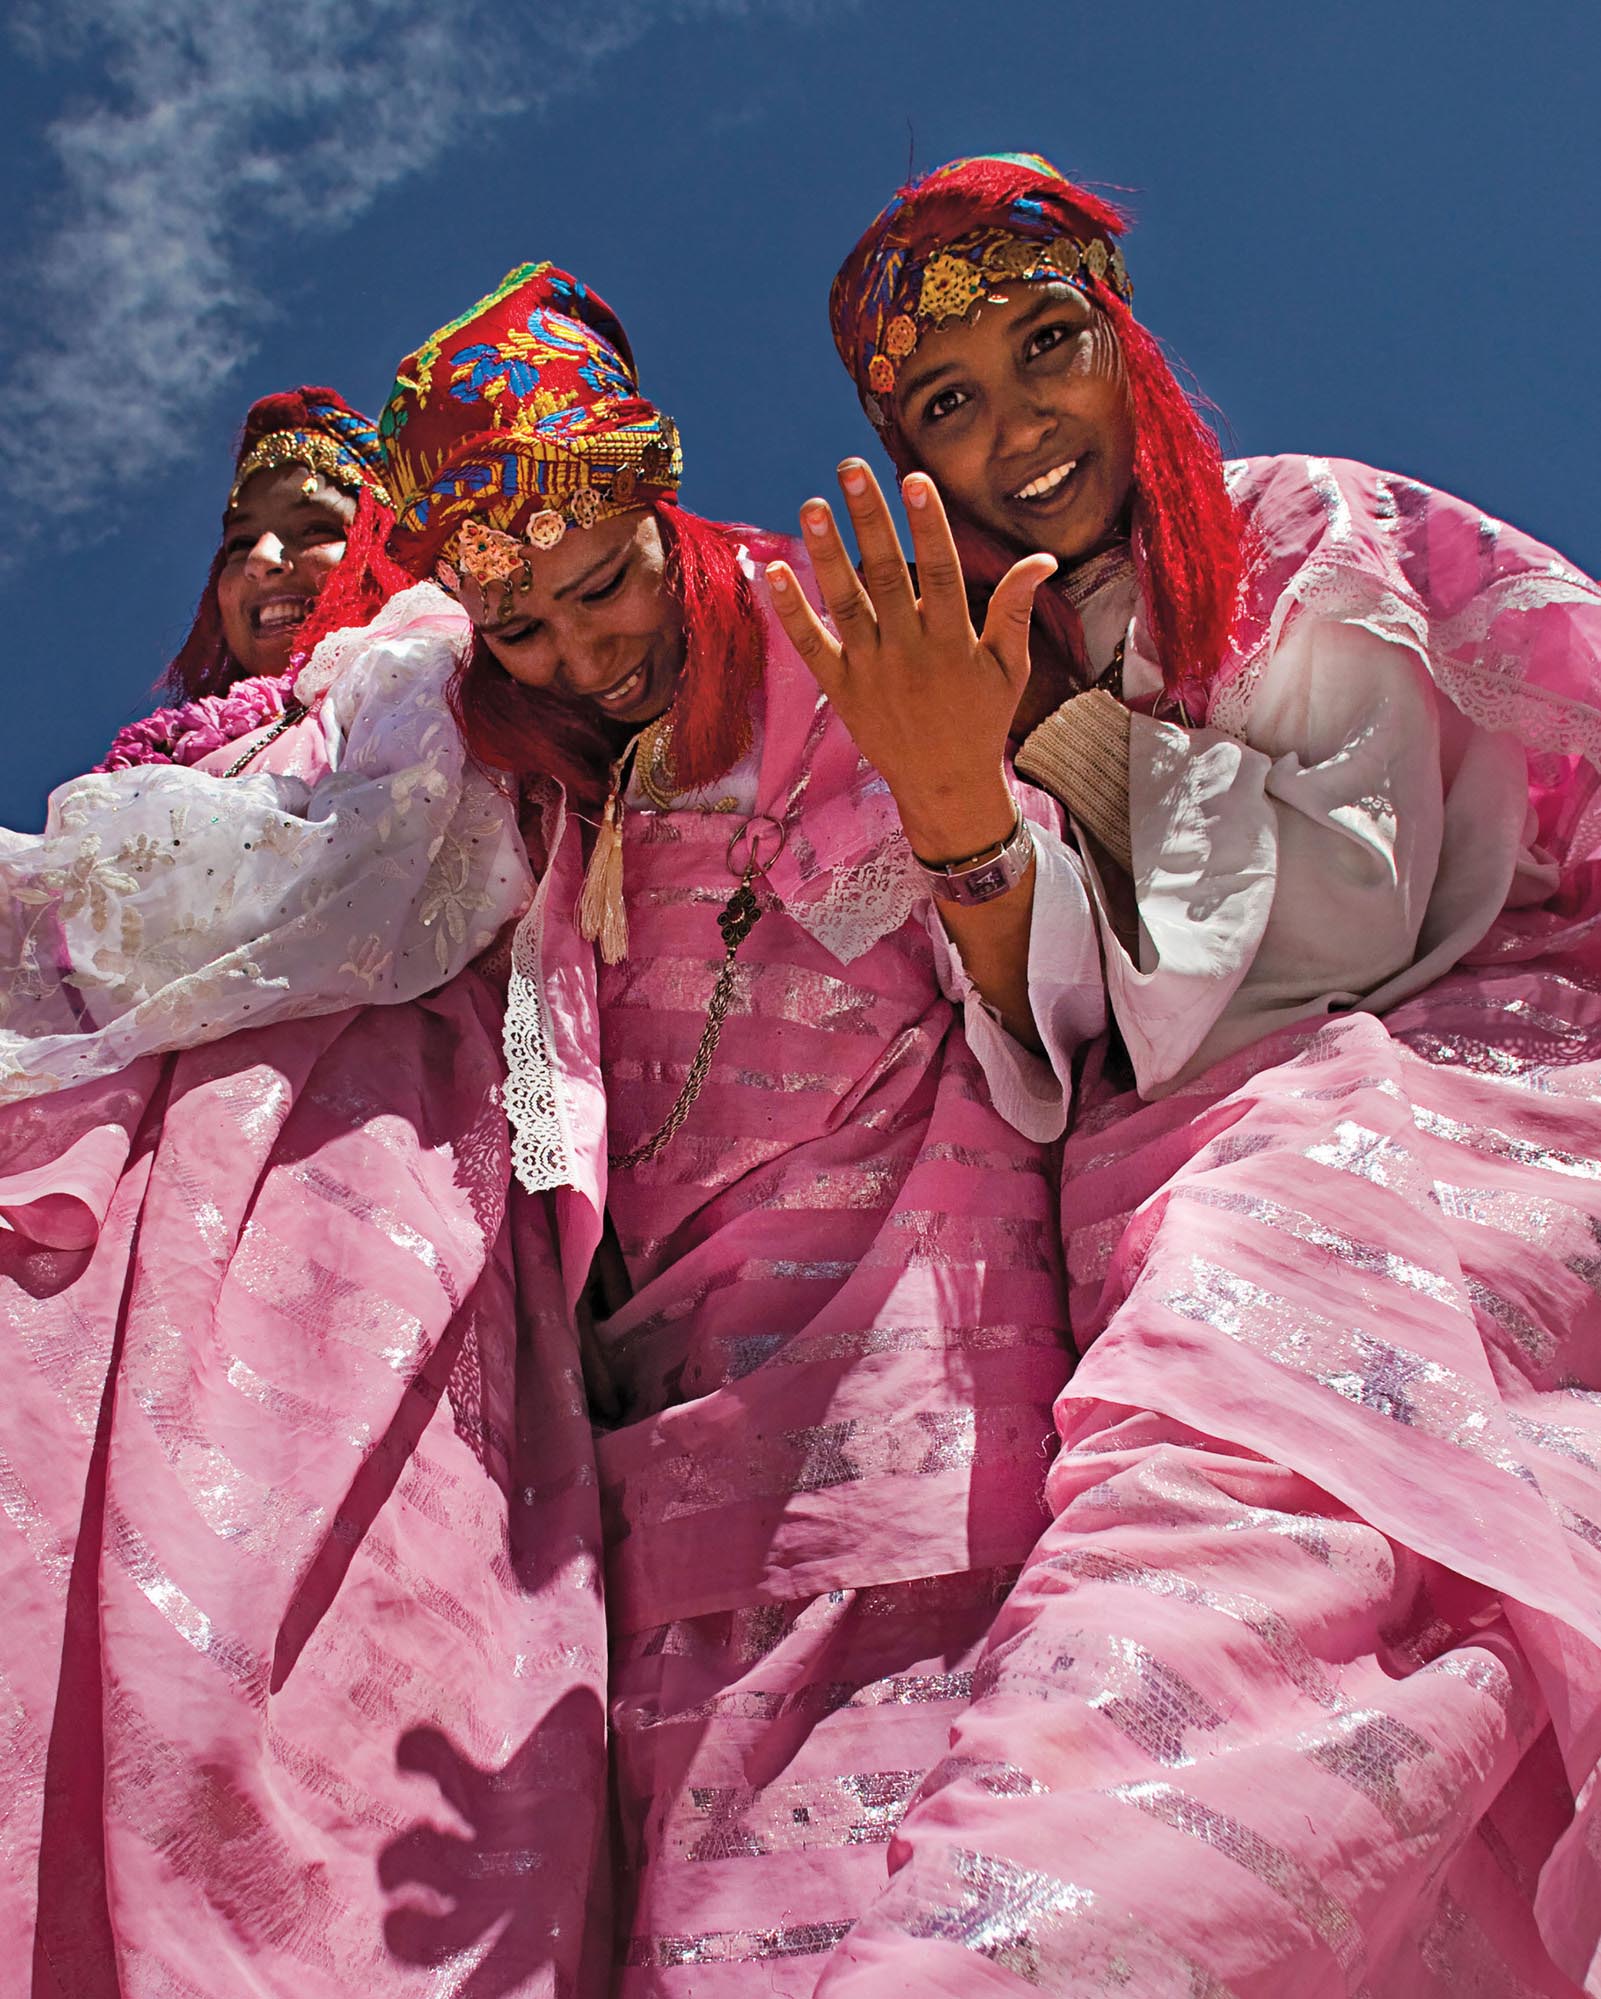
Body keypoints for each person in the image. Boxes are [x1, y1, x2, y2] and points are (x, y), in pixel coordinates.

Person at [815, 151, 1601, 1993]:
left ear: (1125, 340)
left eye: (1046, 346)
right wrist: (949, 800)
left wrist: (1057, 746)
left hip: (1442, 1074)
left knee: (1238, 1440)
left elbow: (1347, 903)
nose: (1014, 428)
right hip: (1161, 1163)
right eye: (949, 402)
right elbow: (1046, 1025)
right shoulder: (975, 662)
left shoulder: (1297, 530)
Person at [376, 260, 1109, 1996]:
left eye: (603, 583)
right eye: (526, 628)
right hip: (667, 1453)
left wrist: (955, 814)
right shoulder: (518, 795)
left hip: (930, 1392)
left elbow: (1062, 1012)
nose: (583, 648)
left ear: (659, 496)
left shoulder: (855, 637)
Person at [0, 389, 607, 1994]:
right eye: (239, 540)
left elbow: (449, 926)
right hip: (125, 1190)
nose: (269, 563)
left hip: (368, 1169)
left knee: (304, 1606)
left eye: (311, 528)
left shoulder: (419, 677)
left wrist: (571, 1220)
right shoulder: (181, 764)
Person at [96, 385, 410, 773]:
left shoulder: (446, 694)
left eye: (314, 529)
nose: (259, 560)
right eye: (241, 543)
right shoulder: (161, 765)